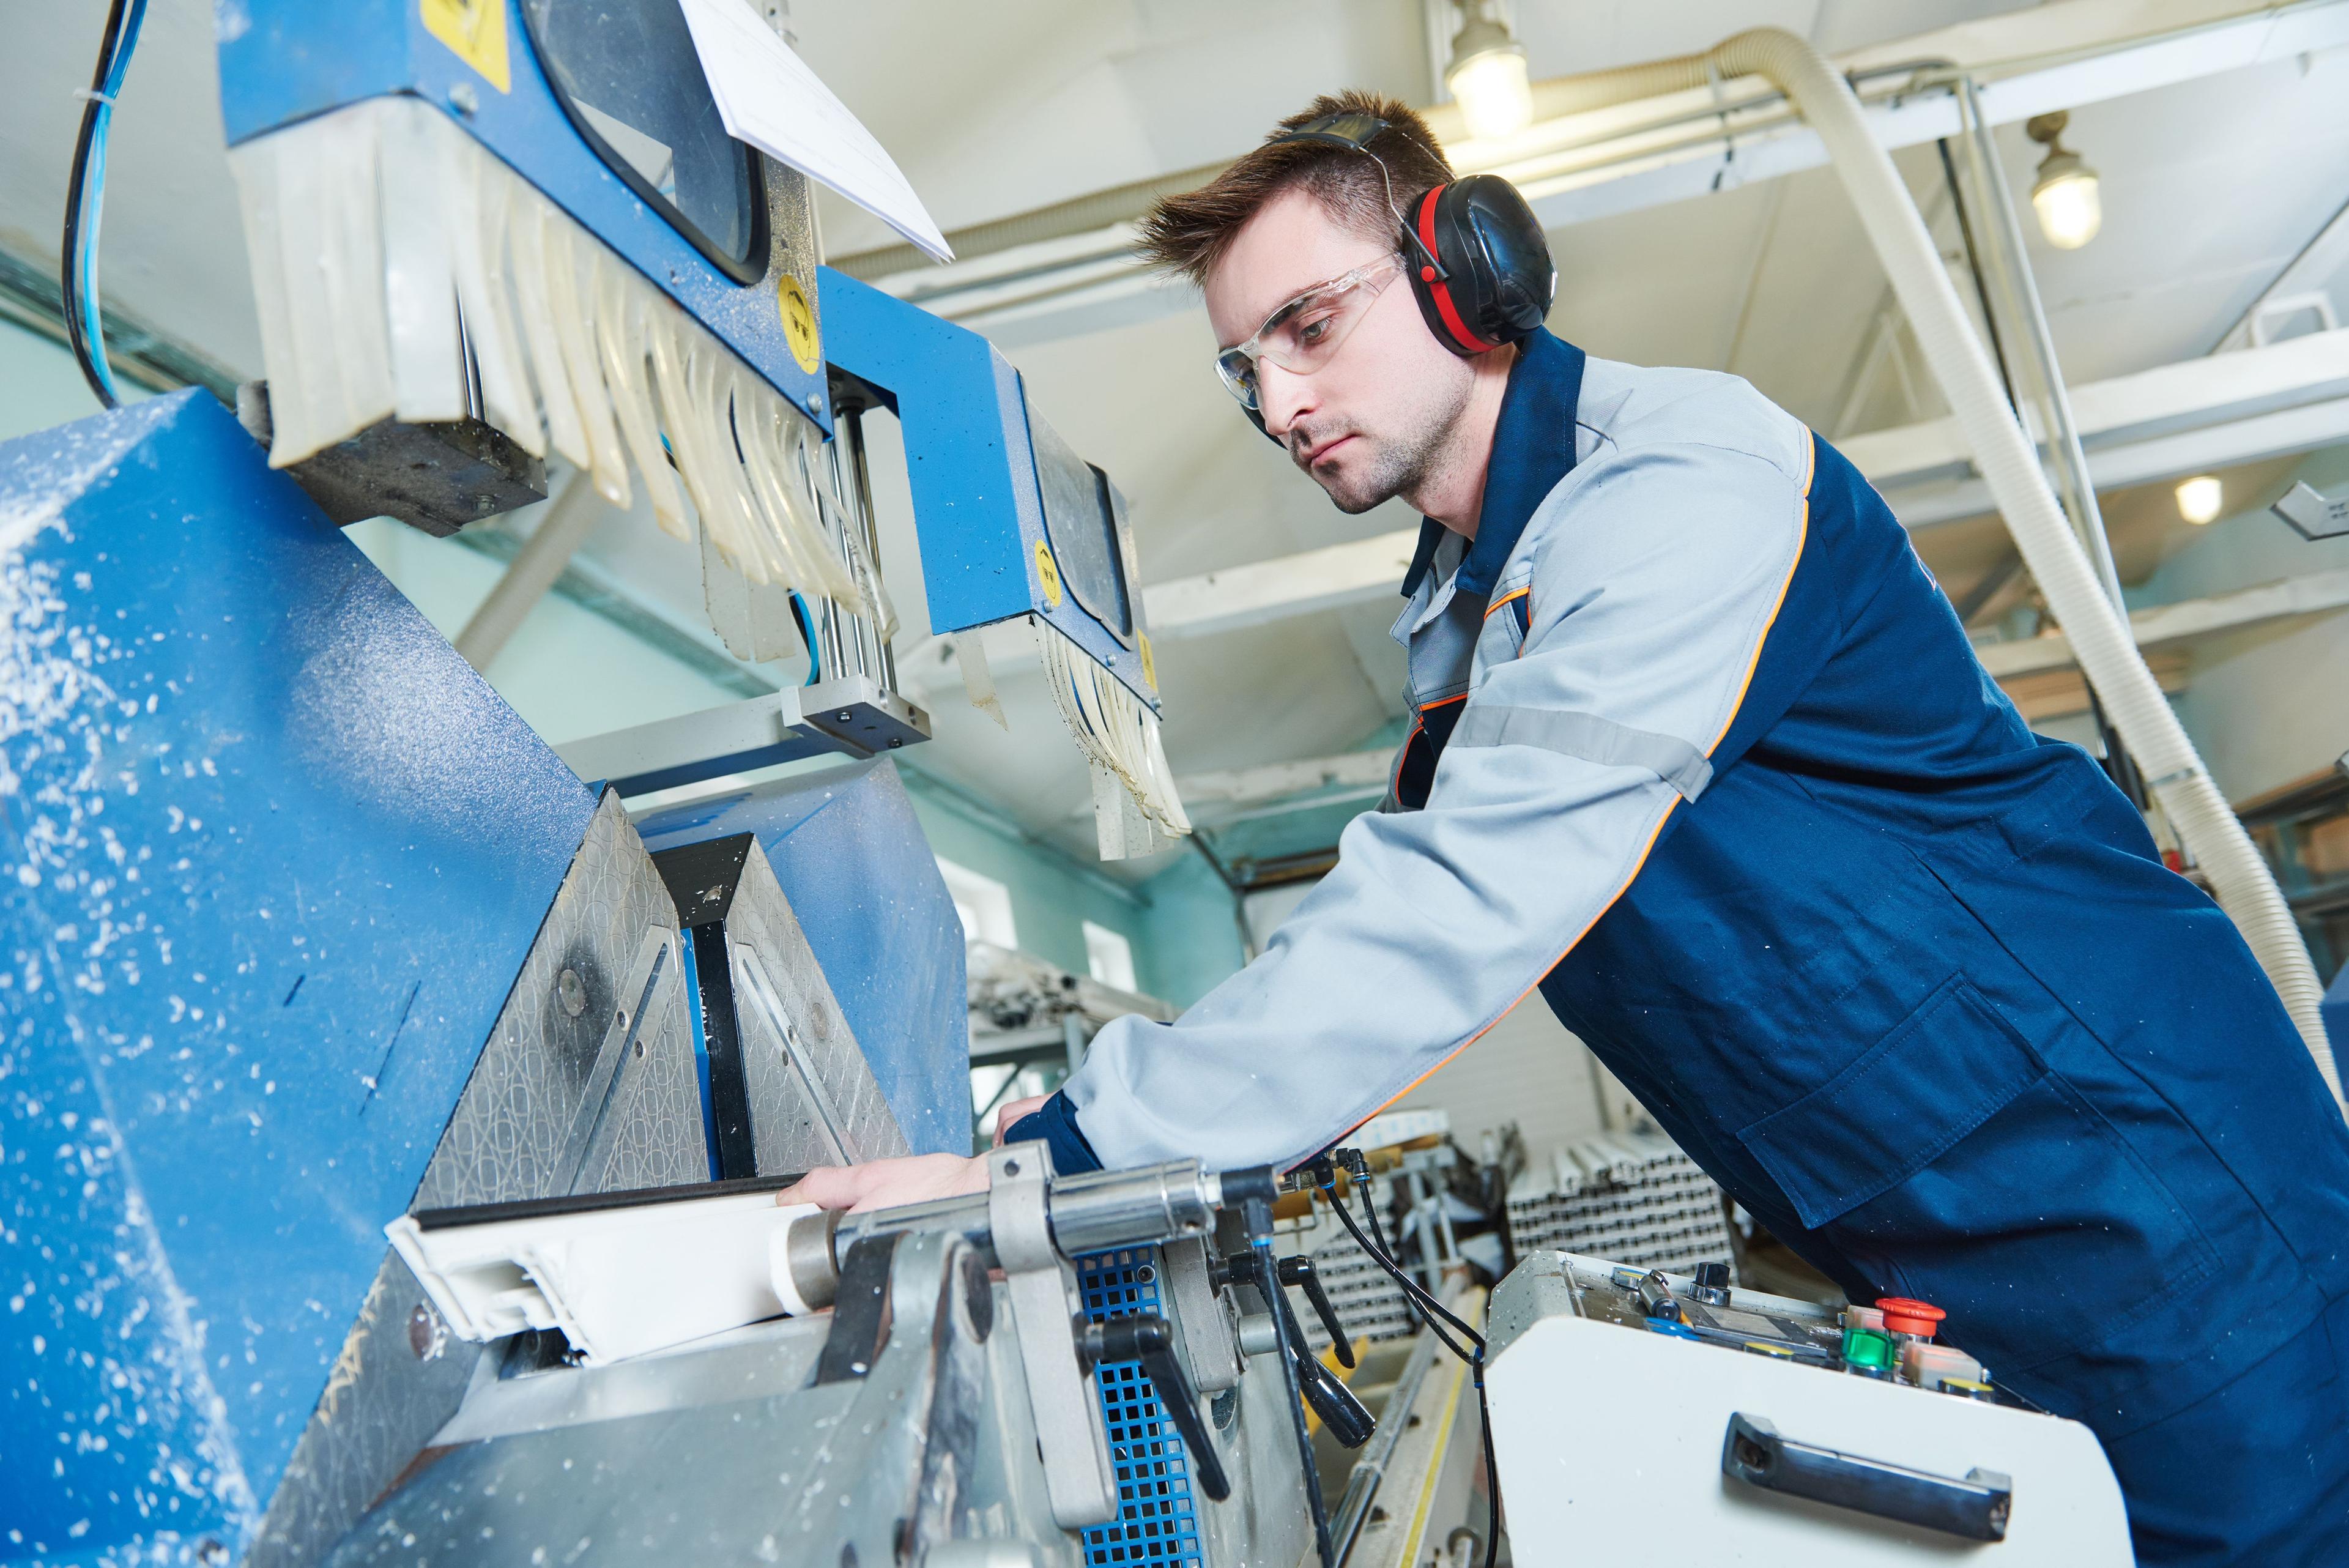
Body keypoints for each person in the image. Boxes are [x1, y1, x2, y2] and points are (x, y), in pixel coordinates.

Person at [783, 91, 2349, 1563]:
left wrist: (1056, 1157)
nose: (1277, 401)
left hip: (2166, 1217)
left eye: (1310, 327)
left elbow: (1465, 899)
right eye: (1243, 368)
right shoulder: (1475, 616)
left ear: (1471, 268)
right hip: (1960, 1246)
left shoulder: (1682, 484)